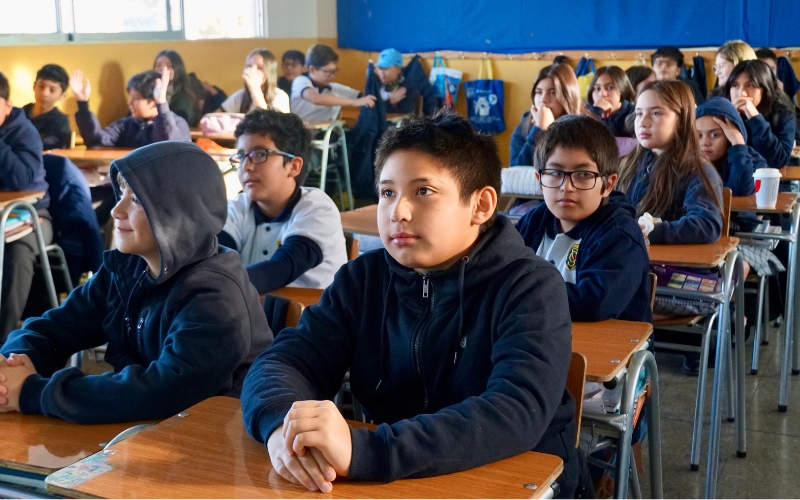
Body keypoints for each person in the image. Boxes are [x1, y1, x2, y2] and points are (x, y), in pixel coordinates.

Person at [240, 111, 585, 498]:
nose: (398, 212)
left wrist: (369, 452)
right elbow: (286, 361)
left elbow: (514, 410)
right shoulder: (363, 279)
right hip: (402, 482)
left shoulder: (530, 286)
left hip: (515, 482)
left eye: (423, 191)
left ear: (481, 205)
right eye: (387, 192)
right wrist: (281, 427)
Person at [0, 141, 273, 422]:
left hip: (209, 436)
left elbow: (161, 392)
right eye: (122, 194)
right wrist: (13, 363)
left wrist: (33, 392)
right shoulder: (128, 267)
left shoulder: (216, 298)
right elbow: (57, 326)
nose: (116, 211)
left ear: (179, 213)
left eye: (137, 201)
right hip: (144, 426)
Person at [516, 115, 651, 322]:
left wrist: (520, 294)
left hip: (606, 341)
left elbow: (594, 304)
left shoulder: (620, 234)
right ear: (540, 181)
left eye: (584, 174)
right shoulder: (534, 221)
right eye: (555, 172)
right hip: (541, 334)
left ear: (608, 185)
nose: (567, 186)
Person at [219, 110, 347, 293]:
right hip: (254, 309)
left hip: (310, 311)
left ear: (293, 166)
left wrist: (216, 286)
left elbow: (281, 269)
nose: (246, 166)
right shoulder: (237, 207)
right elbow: (213, 258)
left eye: (259, 154)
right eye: (241, 156)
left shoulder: (318, 209)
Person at [618, 80, 723, 245]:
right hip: (627, 253)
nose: (643, 122)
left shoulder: (696, 170)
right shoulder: (628, 164)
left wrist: (651, 231)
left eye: (655, 113)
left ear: (681, 120)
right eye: (638, 113)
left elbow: (707, 225)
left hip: (665, 260)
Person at [0, 72, 51, 341]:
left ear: (8, 104)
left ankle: (4, 340)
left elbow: (22, 180)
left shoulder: (24, 132)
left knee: (17, 253)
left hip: (33, 216)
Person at [71, 68, 191, 147]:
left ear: (154, 101)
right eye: (130, 97)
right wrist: (82, 104)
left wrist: (162, 104)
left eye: (136, 98)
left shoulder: (178, 124)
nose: (130, 102)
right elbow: (96, 141)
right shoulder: (127, 124)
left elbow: (169, 146)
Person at [722, 60, 797, 168]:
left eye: (750, 85)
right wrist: (731, 117)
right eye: (735, 85)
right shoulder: (721, 113)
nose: (742, 93)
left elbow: (778, 160)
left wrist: (755, 119)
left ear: (765, 89)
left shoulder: (782, 114)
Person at [509, 64, 582, 166]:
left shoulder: (583, 129)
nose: (543, 99)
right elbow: (517, 169)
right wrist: (540, 130)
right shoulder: (522, 129)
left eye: (553, 92)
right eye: (539, 92)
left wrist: (551, 131)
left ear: (568, 96)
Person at [290, 44, 376, 122]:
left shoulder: (335, 88)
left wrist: (373, 76)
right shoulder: (300, 81)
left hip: (326, 132)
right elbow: (315, 98)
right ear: (312, 69)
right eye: (327, 72)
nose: (332, 76)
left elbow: (364, 97)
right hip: (300, 132)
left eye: (334, 71)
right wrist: (354, 102)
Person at [220, 49, 290, 114]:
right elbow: (217, 116)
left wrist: (255, 89)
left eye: (260, 67)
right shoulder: (241, 95)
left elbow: (265, 119)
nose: (252, 70)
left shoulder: (280, 96)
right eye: (249, 66)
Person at [23, 64, 71, 150]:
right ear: (34, 86)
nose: (44, 93)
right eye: (41, 86)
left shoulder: (60, 121)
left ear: (63, 95)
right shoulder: (20, 113)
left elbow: (49, 144)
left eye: (52, 90)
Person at [153, 49, 201, 127]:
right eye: (158, 65)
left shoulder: (184, 96)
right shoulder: (150, 91)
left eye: (169, 66)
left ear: (177, 69)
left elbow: (176, 124)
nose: (163, 69)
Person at [585, 66, 636, 137]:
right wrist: (596, 112)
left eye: (610, 87)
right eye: (598, 88)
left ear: (622, 89)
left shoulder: (634, 114)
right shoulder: (585, 113)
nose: (602, 94)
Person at [375, 48, 419, 114]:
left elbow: (407, 116)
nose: (382, 72)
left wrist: (389, 104)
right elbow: (371, 111)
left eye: (386, 68)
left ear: (398, 69)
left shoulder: (409, 88)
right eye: (380, 68)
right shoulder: (376, 85)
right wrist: (390, 102)